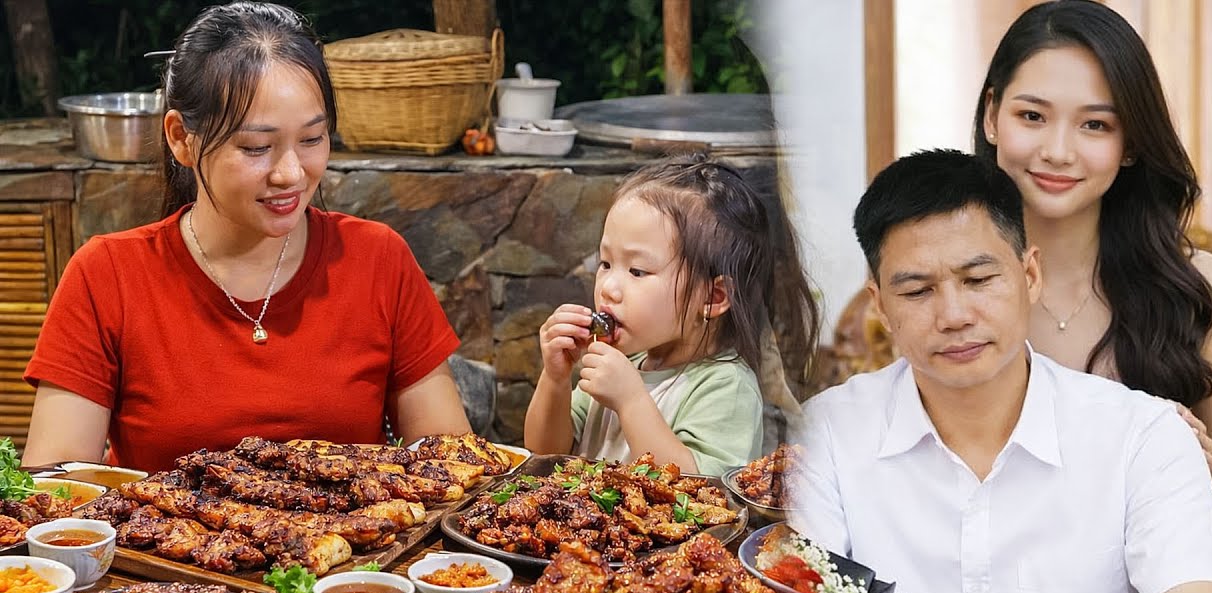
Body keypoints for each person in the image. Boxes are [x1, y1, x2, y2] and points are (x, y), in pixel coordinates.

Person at [790, 149, 1212, 593]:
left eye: (979, 279)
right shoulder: (824, 437)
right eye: (917, 291)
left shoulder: (1143, 434)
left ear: (1030, 276)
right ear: (880, 305)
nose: (954, 315)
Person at [21, 2, 470, 473]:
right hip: (156, 526)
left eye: (312, 139)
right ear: (181, 138)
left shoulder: (377, 258)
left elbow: (452, 465)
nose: (291, 173)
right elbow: (57, 485)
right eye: (256, 147)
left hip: (366, 525)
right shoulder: (107, 275)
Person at [973, 0, 1212, 593]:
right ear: (993, 116)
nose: (1058, 150)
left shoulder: (1200, 288)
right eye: (1032, 116)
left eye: (1095, 125)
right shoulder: (957, 298)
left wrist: (1155, 489)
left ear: (1131, 141)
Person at [523, 156, 819, 478]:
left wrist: (631, 401)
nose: (608, 288)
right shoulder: (624, 362)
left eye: (637, 271)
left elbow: (701, 491)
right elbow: (544, 454)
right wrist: (555, 380)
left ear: (713, 297)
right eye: (605, 264)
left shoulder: (725, 386)